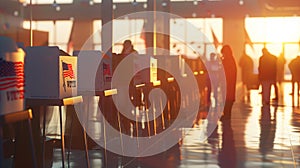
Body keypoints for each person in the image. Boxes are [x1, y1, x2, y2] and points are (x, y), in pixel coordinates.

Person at [220, 45, 237, 121]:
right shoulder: (231, 59)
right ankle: (227, 115)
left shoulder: (226, 60)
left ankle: (226, 115)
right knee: (228, 99)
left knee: (227, 99)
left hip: (227, 83)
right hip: (230, 83)